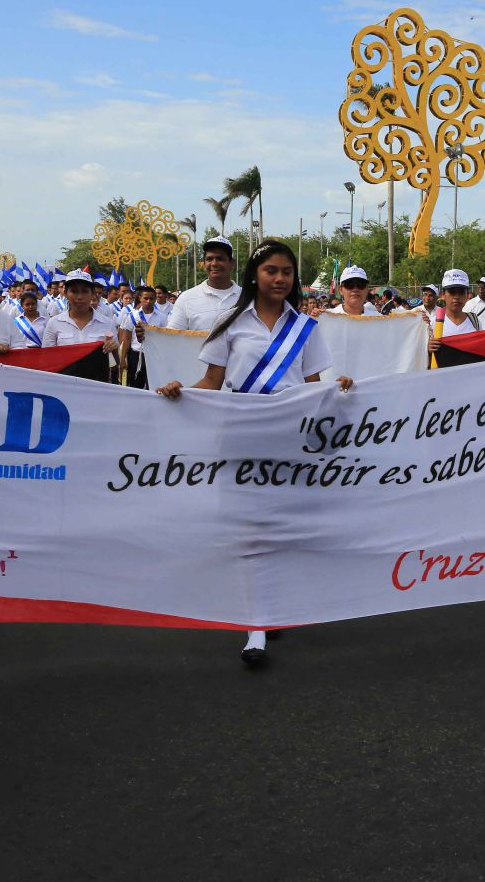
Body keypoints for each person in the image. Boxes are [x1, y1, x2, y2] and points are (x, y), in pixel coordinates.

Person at [157, 241, 352, 669]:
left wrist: (343, 390)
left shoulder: (307, 328)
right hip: (242, 436)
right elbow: (212, 381)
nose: (280, 279)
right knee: (248, 528)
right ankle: (256, 626)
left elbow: (316, 385)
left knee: (282, 527)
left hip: (289, 439)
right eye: (271, 271)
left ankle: (271, 605)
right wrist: (179, 392)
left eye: (286, 272)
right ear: (254, 275)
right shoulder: (231, 325)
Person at [43, 269, 119, 369]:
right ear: (65, 293)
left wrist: (113, 350)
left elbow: (114, 363)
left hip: (95, 381)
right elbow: (47, 359)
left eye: (84, 291)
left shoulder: (107, 323)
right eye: (74, 291)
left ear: (92, 294)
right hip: (64, 381)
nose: (79, 297)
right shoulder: (54, 323)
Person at [168, 236, 241, 331]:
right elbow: (171, 337)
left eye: (220, 258)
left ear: (232, 263)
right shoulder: (186, 299)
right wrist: (146, 334)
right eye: (209, 259)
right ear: (204, 264)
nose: (214, 263)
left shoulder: (248, 298)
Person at [428, 269, 479, 355]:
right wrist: (428, 349)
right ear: (443, 295)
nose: (456, 297)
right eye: (452, 292)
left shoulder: (474, 321)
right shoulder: (433, 323)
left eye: (461, 292)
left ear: (467, 295)